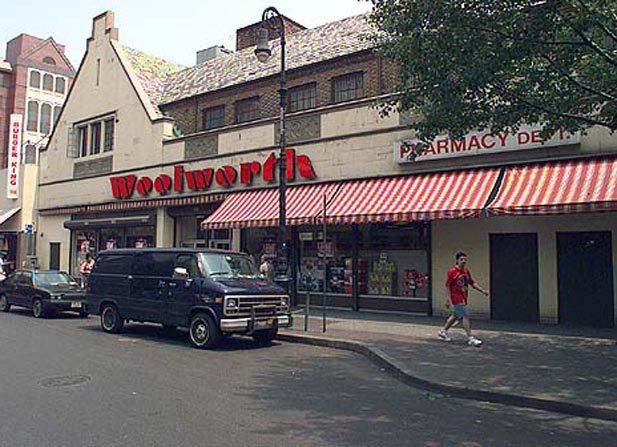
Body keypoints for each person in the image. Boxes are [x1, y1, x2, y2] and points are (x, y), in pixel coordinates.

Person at [439, 251, 488, 347]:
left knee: (455, 315)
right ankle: (470, 338)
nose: (464, 261)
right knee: (465, 316)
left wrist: (482, 290)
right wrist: (447, 299)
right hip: (456, 297)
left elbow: (472, 283)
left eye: (465, 260)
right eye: (461, 259)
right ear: (457, 260)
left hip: (464, 297)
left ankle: (443, 331)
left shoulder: (466, 271)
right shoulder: (452, 272)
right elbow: (448, 286)